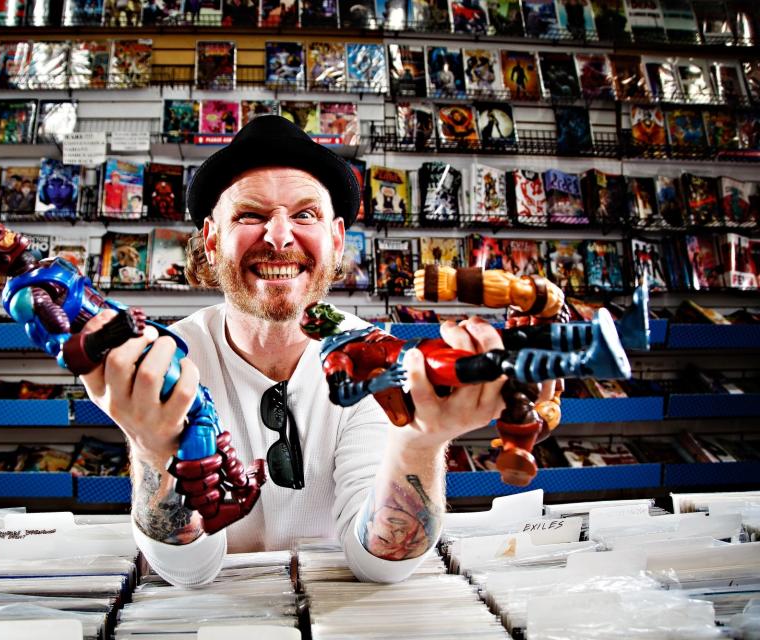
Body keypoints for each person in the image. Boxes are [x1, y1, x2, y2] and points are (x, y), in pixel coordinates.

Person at [78, 115, 542, 586]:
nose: (279, 237)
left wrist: (419, 443)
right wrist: (154, 449)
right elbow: (188, 569)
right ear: (212, 240)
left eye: (304, 215)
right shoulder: (171, 360)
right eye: (250, 215)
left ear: (336, 239)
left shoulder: (372, 358)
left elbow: (380, 564)